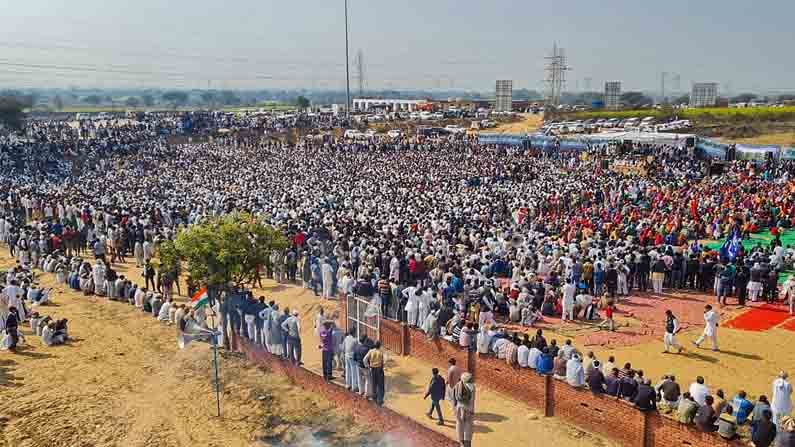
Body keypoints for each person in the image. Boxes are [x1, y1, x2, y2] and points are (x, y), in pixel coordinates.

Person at [453, 372, 476, 447]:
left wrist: (455, 409)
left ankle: (461, 443)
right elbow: (472, 401)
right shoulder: (472, 387)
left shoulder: (457, 385)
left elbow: (454, 400)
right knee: (468, 428)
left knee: (459, 424)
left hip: (459, 409)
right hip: (468, 409)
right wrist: (472, 411)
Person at [363, 341, 385, 406]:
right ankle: (380, 400)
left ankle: (374, 398)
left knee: (374, 384)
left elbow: (364, 359)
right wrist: (383, 365)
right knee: (380, 385)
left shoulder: (370, 351)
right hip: (379, 369)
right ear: (379, 346)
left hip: (372, 369)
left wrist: (368, 366)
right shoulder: (381, 352)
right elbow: (386, 360)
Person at [343, 328, 359, 392]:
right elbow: (357, 349)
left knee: (347, 370)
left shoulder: (346, 338)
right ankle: (354, 387)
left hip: (346, 355)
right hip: (352, 357)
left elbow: (343, 347)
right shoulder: (355, 340)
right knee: (354, 372)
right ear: (354, 333)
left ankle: (347, 385)